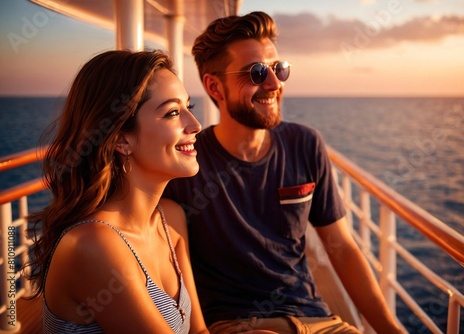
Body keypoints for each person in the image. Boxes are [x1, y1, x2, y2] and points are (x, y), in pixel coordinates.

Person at [163, 11, 404, 334]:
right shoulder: (187, 164)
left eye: (279, 68)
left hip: (316, 319)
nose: (275, 83)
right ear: (215, 87)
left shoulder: (304, 143)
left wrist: (392, 330)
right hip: (236, 325)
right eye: (257, 72)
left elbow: (343, 249)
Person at [25, 50, 209, 333]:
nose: (195, 125)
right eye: (173, 112)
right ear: (122, 139)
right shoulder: (92, 244)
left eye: (189, 107)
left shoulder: (170, 219)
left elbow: (199, 331)